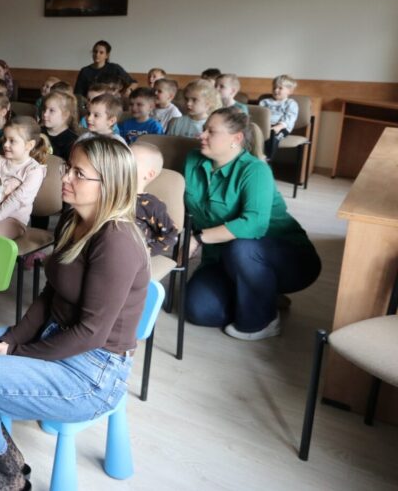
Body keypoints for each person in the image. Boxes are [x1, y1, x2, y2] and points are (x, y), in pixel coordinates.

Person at [0, 135, 148, 489]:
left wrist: (19, 351)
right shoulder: (72, 220)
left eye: (78, 173)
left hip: (92, 371)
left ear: (109, 184)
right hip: (57, 339)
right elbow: (51, 295)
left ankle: (5, 473)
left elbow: (91, 333)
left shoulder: (117, 241)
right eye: (68, 169)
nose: (65, 178)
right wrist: (13, 338)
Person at [183, 107, 320, 340]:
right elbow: (185, 207)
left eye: (211, 131)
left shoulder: (255, 170)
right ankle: (262, 294)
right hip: (222, 258)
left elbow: (254, 225)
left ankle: (262, 321)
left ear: (236, 138)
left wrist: (198, 238)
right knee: (199, 311)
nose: (201, 135)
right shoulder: (193, 160)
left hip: (284, 258)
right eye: (204, 129)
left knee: (242, 247)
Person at [0, 116, 49, 239]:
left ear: (29, 145)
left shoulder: (34, 171)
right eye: (5, 139)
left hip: (14, 219)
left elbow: (16, 200)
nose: (5, 144)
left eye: (12, 141)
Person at [130, 143, 179, 258]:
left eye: (130, 162)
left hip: (132, 256)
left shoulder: (152, 205)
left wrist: (146, 252)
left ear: (149, 174)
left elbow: (171, 235)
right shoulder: (108, 194)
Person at [259, 74, 300, 159]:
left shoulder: (290, 103)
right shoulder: (265, 102)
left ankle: (267, 159)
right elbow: (260, 114)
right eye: (274, 87)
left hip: (282, 128)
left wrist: (279, 126)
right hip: (265, 126)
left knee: (274, 137)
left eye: (280, 88)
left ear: (290, 91)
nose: (276, 90)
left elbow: (290, 117)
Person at [41, 90, 78, 161]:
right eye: (45, 109)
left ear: (65, 115)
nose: (45, 114)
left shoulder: (72, 141)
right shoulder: (38, 131)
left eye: (51, 111)